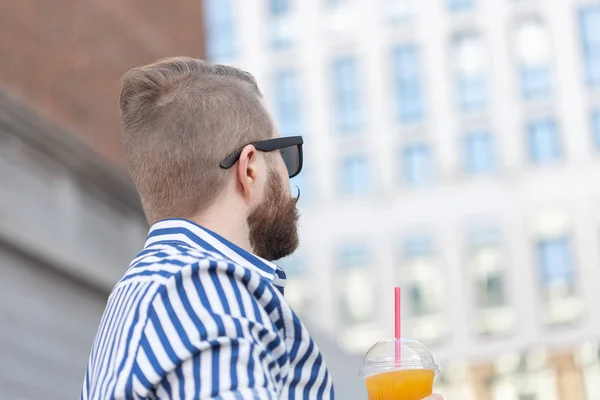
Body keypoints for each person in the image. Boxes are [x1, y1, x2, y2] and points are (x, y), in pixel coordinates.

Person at [80, 57, 443, 400]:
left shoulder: (165, 288)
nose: (290, 177)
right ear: (250, 168)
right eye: (284, 156)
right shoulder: (203, 293)